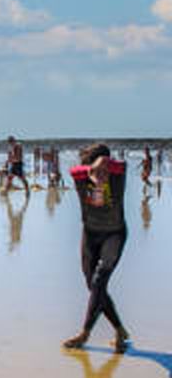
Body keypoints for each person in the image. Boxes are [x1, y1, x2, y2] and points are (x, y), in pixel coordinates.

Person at [63, 143, 131, 354]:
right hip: (90, 234)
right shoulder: (81, 176)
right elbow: (73, 170)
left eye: (106, 167)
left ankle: (85, 333)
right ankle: (119, 329)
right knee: (92, 284)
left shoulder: (117, 175)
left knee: (99, 280)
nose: (103, 172)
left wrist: (104, 164)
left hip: (114, 234)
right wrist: (92, 172)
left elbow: (121, 165)